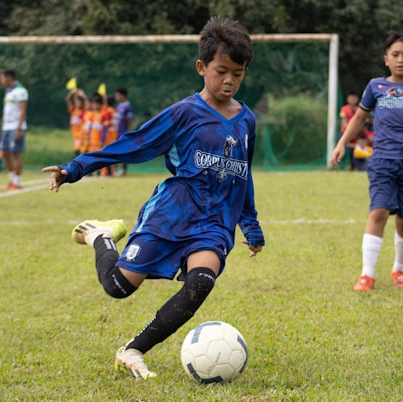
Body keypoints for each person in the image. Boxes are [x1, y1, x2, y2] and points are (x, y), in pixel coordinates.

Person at [42, 16, 265, 378]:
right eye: (222, 71)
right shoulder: (184, 113)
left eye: (238, 73)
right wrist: (75, 168)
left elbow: (243, 172)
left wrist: (250, 224)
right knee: (117, 288)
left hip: (214, 224)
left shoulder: (246, 120)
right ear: (201, 67)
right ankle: (100, 235)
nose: (229, 81)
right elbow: (134, 144)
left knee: (201, 283)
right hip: (173, 212)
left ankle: (132, 351)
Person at [330, 31, 403, 291]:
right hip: (382, 161)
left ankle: (400, 269)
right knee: (378, 212)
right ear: (386, 59)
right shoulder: (375, 86)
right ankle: (367, 275)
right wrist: (342, 143)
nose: (400, 59)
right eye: (395, 54)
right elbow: (358, 119)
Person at [0, 69, 28, 190]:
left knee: (16, 153)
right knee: (5, 152)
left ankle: (17, 181)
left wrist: (19, 128)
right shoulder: (8, 91)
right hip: (6, 126)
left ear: (8, 77)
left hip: (15, 127)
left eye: (2, 78)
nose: (1, 81)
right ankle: (11, 179)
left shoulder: (21, 91)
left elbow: (22, 111)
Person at [114, 87, 133, 175]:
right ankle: (115, 169)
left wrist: (126, 131)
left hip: (123, 132)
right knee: (116, 150)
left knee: (124, 150)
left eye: (117, 95)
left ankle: (124, 169)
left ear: (122, 95)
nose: (116, 97)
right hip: (116, 132)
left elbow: (129, 120)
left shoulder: (127, 106)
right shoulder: (118, 106)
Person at [65, 88, 86, 157]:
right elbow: (67, 100)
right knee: (77, 152)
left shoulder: (84, 111)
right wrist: (72, 93)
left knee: (80, 151)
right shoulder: (73, 110)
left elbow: (87, 102)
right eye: (77, 101)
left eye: (79, 102)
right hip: (75, 134)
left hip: (81, 134)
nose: (78, 103)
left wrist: (83, 95)